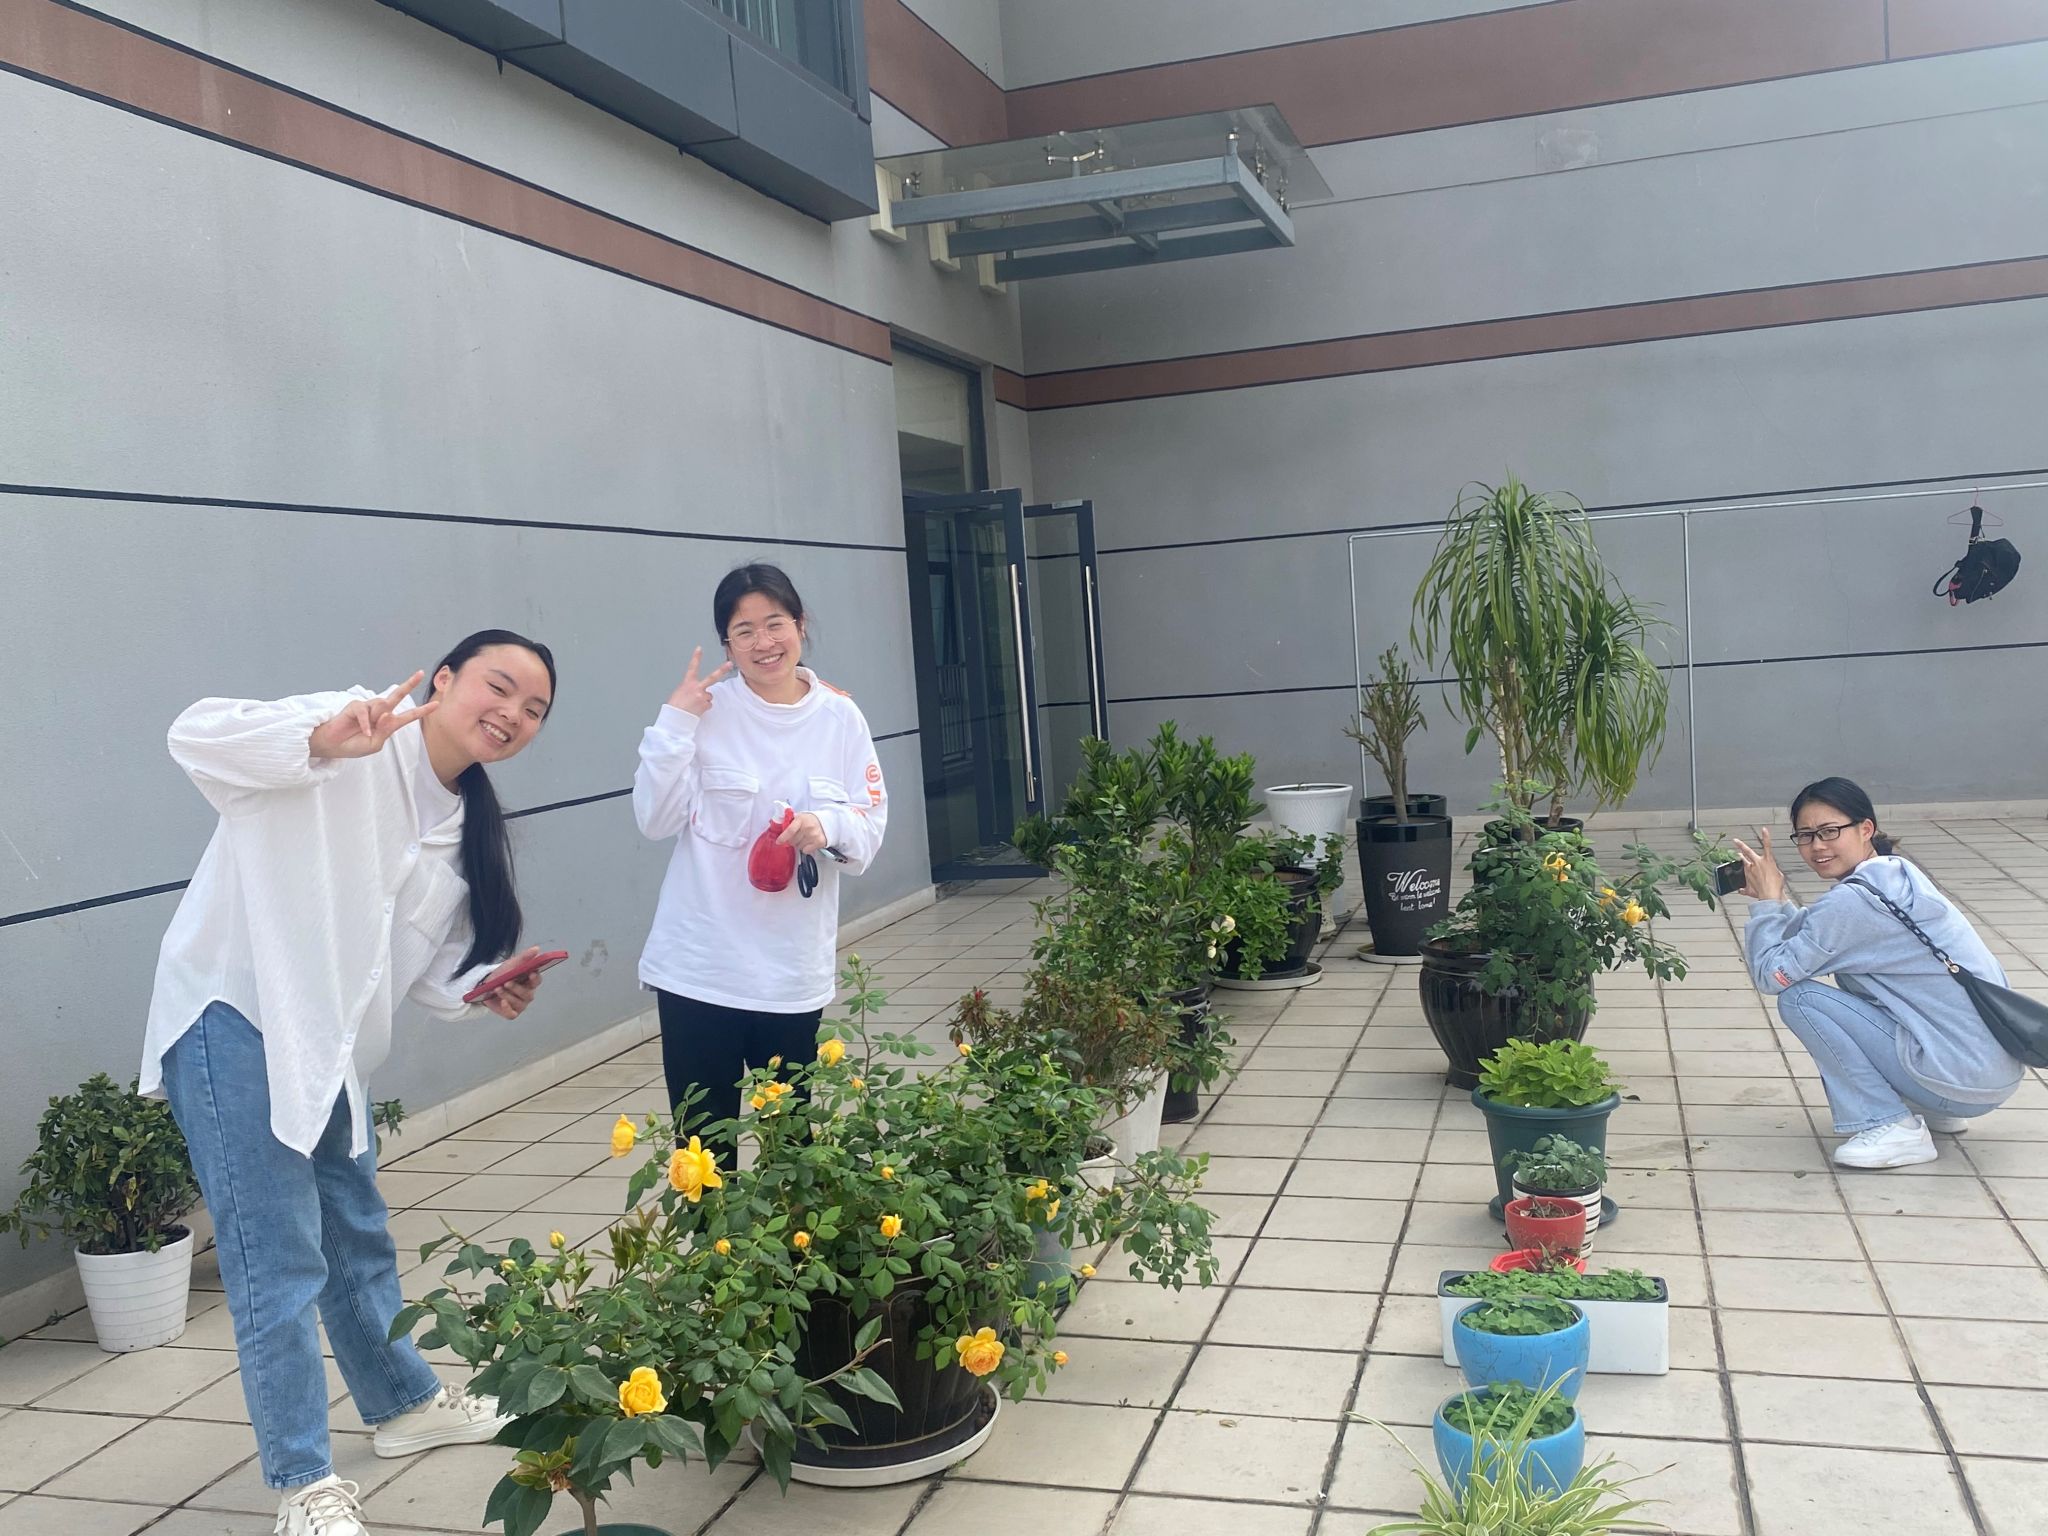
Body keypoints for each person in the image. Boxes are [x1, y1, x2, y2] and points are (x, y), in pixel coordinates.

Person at [139, 632, 558, 1536]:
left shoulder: (464, 831)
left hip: (325, 1043)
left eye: (533, 710)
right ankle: (303, 1484)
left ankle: (404, 1405)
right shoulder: (354, 725)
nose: (511, 715)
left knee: (355, 1230)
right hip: (234, 1010)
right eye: (498, 687)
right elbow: (194, 735)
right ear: (444, 679)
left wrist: (485, 987)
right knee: (278, 1255)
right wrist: (318, 741)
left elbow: (420, 966)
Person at [635, 563, 887, 1156]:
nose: (762, 642)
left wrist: (824, 825)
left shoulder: (840, 717)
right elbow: (654, 819)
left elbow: (869, 829)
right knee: (702, 1151)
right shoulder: (704, 714)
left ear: (800, 625)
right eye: (743, 630)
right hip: (699, 970)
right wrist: (674, 722)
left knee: (790, 1148)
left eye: (774, 623)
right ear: (727, 644)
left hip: (788, 974)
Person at [1737, 776, 2020, 1170]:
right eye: (1805, 835)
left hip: (1958, 1079)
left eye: (1830, 831)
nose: (1817, 846)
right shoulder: (1894, 874)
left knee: (1800, 998)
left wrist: (1768, 906)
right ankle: (1929, 1105)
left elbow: (1773, 976)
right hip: (1988, 1073)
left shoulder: (1854, 901)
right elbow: (1819, 934)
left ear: (1865, 828)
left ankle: (1890, 1124)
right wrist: (1778, 902)